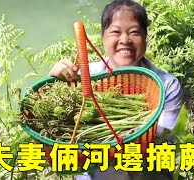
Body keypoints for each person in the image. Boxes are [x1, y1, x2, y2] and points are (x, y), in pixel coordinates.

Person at [49, 0, 183, 179]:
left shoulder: (166, 85)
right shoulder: (86, 77)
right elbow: (57, 115)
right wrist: (57, 78)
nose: (125, 40)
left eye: (134, 32)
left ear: (145, 37)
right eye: (115, 32)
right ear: (103, 37)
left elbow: (161, 138)